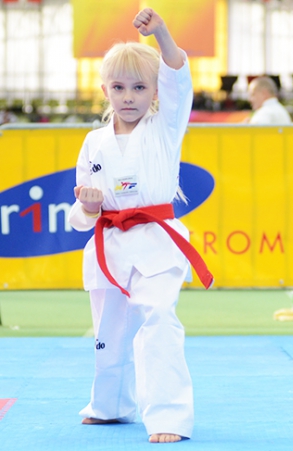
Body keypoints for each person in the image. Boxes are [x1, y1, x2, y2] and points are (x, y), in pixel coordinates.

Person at [68, 8, 213, 444]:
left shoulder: (165, 127)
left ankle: (168, 417)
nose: (128, 96)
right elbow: (78, 219)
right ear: (104, 90)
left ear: (153, 92)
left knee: (158, 322)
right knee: (108, 335)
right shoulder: (93, 142)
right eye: (118, 87)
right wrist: (90, 209)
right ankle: (110, 407)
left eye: (138, 87)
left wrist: (163, 32)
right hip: (108, 244)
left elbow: (177, 76)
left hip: (155, 241)